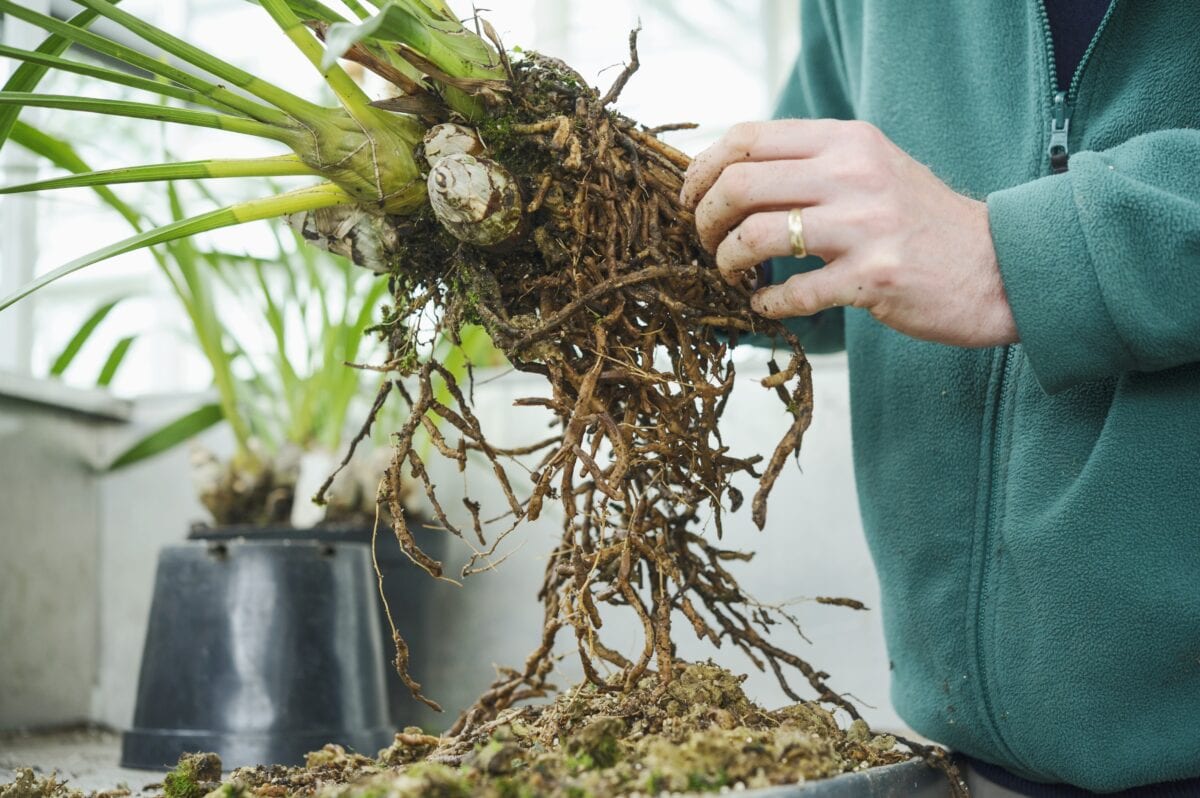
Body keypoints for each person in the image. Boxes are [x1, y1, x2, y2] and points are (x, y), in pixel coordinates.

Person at [679, 2, 1200, 795]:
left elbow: (955, 245)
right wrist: (619, 244)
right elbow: (810, 233)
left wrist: (1010, 255)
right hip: (971, 761)